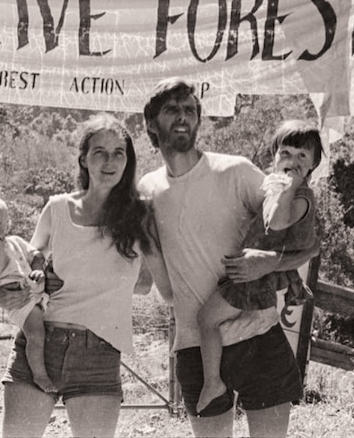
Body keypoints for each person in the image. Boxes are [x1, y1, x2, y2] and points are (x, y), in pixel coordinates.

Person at [138, 78, 319, 438]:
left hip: (258, 335)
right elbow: (163, 286)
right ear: (151, 125)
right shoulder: (146, 190)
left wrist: (270, 263)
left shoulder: (235, 171)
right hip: (195, 347)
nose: (182, 117)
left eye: (189, 109)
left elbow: (303, 238)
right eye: (172, 110)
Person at [0, 113, 170, 438]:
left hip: (98, 354)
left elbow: (150, 286)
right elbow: (22, 268)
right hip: (40, 344)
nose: (109, 161)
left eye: (119, 152)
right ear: (84, 159)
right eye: (100, 152)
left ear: (128, 161)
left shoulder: (141, 215)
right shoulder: (57, 208)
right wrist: (1, 291)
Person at [196, 120, 323, 414]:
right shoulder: (277, 186)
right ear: (274, 155)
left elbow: (277, 222)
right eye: (286, 153)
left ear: (313, 164)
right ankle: (254, 321)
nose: (292, 161)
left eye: (302, 156)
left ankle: (213, 382)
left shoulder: (302, 197)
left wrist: (288, 188)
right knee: (216, 321)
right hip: (256, 273)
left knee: (206, 320)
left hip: (253, 277)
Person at [0, 196, 56, 393]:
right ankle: (40, 375)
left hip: (36, 292)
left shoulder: (16, 241)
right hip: (20, 301)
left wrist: (37, 269)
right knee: (36, 334)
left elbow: (36, 254)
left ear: (7, 224)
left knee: (48, 330)